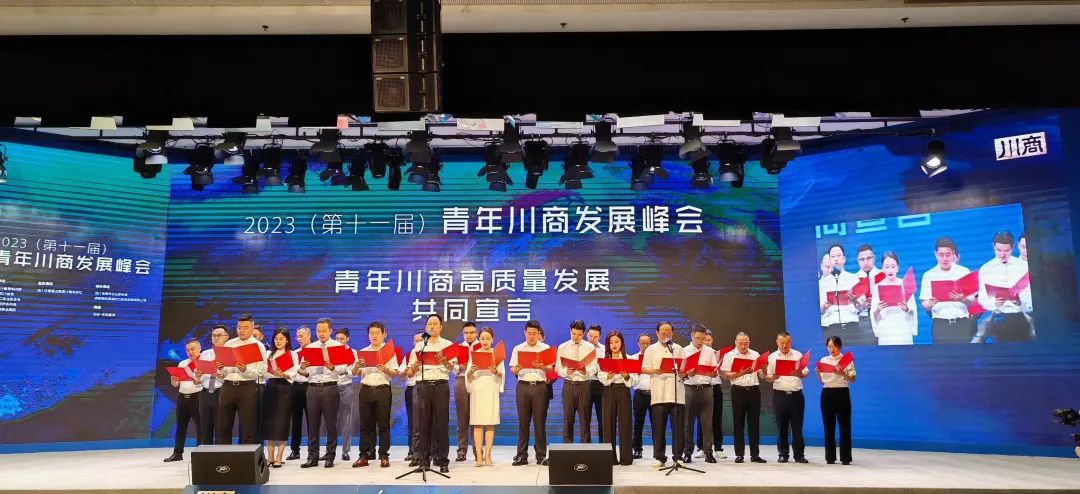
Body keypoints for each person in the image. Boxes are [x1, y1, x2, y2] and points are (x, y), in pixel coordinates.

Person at [407, 314, 457, 473]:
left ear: (441, 327)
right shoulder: (419, 346)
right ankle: (424, 460)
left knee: (441, 424)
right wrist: (414, 366)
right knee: (423, 425)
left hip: (441, 386)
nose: (432, 326)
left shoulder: (448, 345)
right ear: (426, 327)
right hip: (423, 386)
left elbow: (455, 369)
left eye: (435, 324)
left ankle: (442, 460)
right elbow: (409, 373)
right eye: (429, 324)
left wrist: (445, 362)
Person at [299, 317, 350, 468]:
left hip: (330, 387)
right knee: (312, 424)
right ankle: (312, 457)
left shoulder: (337, 346)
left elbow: (344, 368)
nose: (321, 333)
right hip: (312, 388)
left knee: (330, 424)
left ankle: (330, 456)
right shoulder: (310, 347)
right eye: (318, 331)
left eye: (324, 330)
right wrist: (303, 368)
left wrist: (333, 367)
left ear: (330, 331)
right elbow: (304, 372)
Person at [351, 321, 399, 468]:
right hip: (365, 390)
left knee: (383, 425)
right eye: (371, 333)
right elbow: (354, 373)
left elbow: (395, 373)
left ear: (384, 334)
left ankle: (384, 456)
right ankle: (364, 456)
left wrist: (385, 369)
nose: (374, 336)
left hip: (382, 390)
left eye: (377, 333)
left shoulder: (389, 352)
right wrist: (356, 366)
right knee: (366, 425)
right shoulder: (363, 352)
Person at [973, 231, 1035, 343]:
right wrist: (994, 303)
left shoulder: (1023, 267)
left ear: (1013, 247)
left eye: (1006, 251)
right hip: (998, 317)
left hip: (1020, 316)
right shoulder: (986, 269)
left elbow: (1031, 296)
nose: (1002, 254)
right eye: (999, 250)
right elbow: (982, 299)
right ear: (993, 246)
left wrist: (1020, 302)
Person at [216, 314, 268, 445]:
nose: (241, 330)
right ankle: (223, 455)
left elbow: (261, 372)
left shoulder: (258, 346)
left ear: (252, 328)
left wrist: (245, 369)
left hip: (247, 387)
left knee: (247, 425)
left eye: (245, 327)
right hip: (228, 386)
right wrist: (221, 368)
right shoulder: (229, 343)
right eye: (239, 327)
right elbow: (224, 370)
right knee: (223, 425)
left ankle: (246, 455)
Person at [640, 321, 686, 468]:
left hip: (676, 394)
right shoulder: (651, 349)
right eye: (663, 332)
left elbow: (684, 369)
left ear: (672, 333)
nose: (666, 334)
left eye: (669, 332)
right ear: (657, 333)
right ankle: (659, 457)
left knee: (678, 428)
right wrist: (656, 370)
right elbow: (644, 368)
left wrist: (684, 372)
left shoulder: (678, 348)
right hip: (659, 394)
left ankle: (678, 457)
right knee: (659, 428)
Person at [511, 320, 553, 466]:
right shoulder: (518, 348)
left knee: (539, 422)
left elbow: (550, 369)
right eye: (529, 333)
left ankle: (541, 456)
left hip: (540, 387)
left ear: (538, 333)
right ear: (525, 333)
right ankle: (521, 455)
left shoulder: (545, 348)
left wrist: (542, 367)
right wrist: (518, 368)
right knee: (523, 422)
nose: (531, 336)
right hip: (523, 386)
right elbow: (512, 370)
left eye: (534, 333)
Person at [919, 236, 975, 344]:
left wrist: (962, 299)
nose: (945, 259)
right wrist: (930, 303)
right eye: (941, 255)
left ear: (953, 253)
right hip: (940, 325)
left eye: (948, 255)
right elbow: (924, 304)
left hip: (961, 324)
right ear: (936, 254)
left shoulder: (963, 272)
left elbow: (972, 300)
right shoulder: (928, 275)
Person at [720, 332, 765, 463]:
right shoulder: (729, 355)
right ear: (735, 342)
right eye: (741, 343)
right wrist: (740, 373)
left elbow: (761, 375)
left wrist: (764, 369)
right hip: (738, 391)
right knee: (738, 424)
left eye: (746, 343)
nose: (743, 346)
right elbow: (725, 376)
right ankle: (739, 454)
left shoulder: (755, 354)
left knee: (754, 423)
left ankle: (755, 454)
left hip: (754, 391)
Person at [765, 331, 808, 463]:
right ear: (777, 342)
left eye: (787, 343)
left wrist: (798, 373)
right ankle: (783, 454)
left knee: (797, 426)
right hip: (780, 395)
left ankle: (799, 455)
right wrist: (773, 377)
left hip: (796, 396)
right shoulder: (772, 357)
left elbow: (805, 373)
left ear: (791, 342)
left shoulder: (797, 355)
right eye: (782, 343)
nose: (784, 345)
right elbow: (767, 377)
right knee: (781, 426)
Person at [466, 326, 505, 467]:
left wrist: (496, 372)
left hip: (491, 389)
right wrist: (471, 371)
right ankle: (478, 456)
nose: (485, 341)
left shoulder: (497, 354)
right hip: (478, 389)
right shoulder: (474, 354)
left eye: (488, 338)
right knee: (477, 423)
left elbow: (502, 374)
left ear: (492, 339)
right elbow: (468, 375)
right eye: (482, 338)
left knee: (489, 423)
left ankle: (488, 456)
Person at [556, 320, 598, 444]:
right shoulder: (563, 347)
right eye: (574, 334)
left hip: (584, 385)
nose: (576, 337)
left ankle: (585, 448)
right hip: (569, 385)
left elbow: (595, 367)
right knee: (568, 419)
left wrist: (586, 371)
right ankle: (567, 448)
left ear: (584, 333)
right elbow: (557, 368)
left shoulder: (590, 347)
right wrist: (566, 372)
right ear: (570, 331)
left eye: (579, 335)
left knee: (585, 419)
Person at [682, 324, 718, 464]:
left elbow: (715, 372)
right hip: (689, 389)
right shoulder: (684, 351)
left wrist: (713, 373)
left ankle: (708, 453)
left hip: (706, 389)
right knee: (688, 424)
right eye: (697, 338)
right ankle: (687, 453)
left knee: (707, 424)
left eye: (703, 338)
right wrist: (687, 373)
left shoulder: (709, 351)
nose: (700, 341)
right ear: (691, 336)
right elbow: (680, 373)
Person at [817, 335, 856, 465]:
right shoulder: (824, 360)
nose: (831, 349)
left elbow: (852, 379)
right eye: (829, 346)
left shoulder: (846, 359)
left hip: (842, 392)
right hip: (827, 393)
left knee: (845, 427)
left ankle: (846, 458)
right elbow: (821, 380)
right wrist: (817, 372)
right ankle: (830, 457)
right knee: (828, 427)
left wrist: (842, 373)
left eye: (834, 346)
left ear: (839, 346)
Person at [598, 330, 635, 466]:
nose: (614, 345)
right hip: (609, 391)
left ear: (622, 343)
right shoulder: (604, 360)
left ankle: (626, 458)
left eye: (616, 342)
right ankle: (610, 458)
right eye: (611, 342)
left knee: (625, 424)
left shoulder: (629, 358)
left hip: (623, 390)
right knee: (608, 424)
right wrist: (607, 376)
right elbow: (601, 377)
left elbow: (634, 379)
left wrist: (627, 376)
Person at [164, 338, 203, 462]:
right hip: (182, 397)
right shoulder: (182, 363)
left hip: (198, 397)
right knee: (180, 427)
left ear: (199, 348)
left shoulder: (204, 363)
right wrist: (173, 380)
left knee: (200, 427)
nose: (190, 352)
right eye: (187, 350)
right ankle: (177, 453)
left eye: (193, 349)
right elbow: (175, 384)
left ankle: (199, 454)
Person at [264, 327, 298, 467]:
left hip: (285, 387)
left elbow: (294, 372)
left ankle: (279, 456)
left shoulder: (292, 354)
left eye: (281, 339)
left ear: (287, 340)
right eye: (276, 339)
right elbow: (264, 371)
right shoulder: (269, 354)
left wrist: (283, 374)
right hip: (270, 387)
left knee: (283, 421)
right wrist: (272, 372)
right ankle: (270, 456)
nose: (278, 341)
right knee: (269, 422)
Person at [871, 252, 918, 345]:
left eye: (893, 266)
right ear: (882, 269)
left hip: (903, 332)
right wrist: (878, 309)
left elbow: (913, 311)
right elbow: (873, 314)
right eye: (887, 267)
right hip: (886, 333)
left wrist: (907, 309)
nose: (890, 270)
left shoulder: (905, 285)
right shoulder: (877, 287)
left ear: (897, 268)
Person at [819, 244, 861, 341]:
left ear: (844, 259)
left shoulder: (853, 278)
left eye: (838, 256)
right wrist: (824, 307)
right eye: (833, 257)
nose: (836, 259)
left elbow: (861, 308)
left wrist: (855, 301)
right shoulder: (822, 283)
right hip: (832, 327)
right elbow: (821, 311)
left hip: (852, 326)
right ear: (829, 260)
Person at [196, 325, 229, 445]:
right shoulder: (205, 354)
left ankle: (221, 454)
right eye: (213, 335)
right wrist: (197, 375)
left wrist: (222, 376)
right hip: (205, 392)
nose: (216, 338)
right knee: (205, 427)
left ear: (227, 337)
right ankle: (206, 453)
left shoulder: (230, 353)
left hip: (222, 392)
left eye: (219, 335)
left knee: (221, 428)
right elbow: (197, 375)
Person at [454, 322, 479, 462]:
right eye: (466, 333)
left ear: (476, 333)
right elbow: (451, 367)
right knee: (462, 419)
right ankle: (461, 451)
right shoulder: (457, 347)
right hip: (461, 380)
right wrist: (459, 367)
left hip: (477, 381)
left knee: (477, 418)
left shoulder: (482, 347)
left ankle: (477, 450)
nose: (469, 335)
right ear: (463, 334)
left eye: (472, 332)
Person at [287, 325, 312, 460]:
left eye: (301, 336)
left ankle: (312, 450)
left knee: (311, 420)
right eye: (297, 336)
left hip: (310, 386)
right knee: (296, 420)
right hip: (295, 387)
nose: (299, 339)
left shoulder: (315, 351)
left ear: (309, 335)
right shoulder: (294, 353)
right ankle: (295, 450)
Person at [334, 328, 357, 461]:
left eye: (341, 339)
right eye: (337, 339)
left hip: (346, 386)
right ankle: (330, 451)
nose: (339, 341)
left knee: (346, 420)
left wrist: (345, 372)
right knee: (330, 420)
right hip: (331, 387)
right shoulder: (330, 352)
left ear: (347, 339)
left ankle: (345, 451)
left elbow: (354, 372)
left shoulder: (353, 352)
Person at [851, 244, 881, 346]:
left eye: (869, 258)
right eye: (862, 259)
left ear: (874, 258)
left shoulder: (883, 275)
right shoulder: (853, 279)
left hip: (882, 319)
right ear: (858, 261)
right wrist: (860, 306)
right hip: (862, 322)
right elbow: (848, 307)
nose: (866, 262)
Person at [402, 331, 424, 464]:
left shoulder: (428, 352)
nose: (418, 342)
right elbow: (402, 372)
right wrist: (410, 369)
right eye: (416, 340)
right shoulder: (410, 354)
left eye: (420, 340)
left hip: (425, 387)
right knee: (413, 421)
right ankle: (412, 450)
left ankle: (428, 452)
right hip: (411, 388)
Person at [630, 333, 652, 460]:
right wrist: (636, 373)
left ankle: (658, 450)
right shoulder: (633, 358)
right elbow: (630, 381)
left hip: (655, 394)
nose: (645, 345)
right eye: (643, 343)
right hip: (640, 394)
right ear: (638, 344)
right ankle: (637, 449)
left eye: (647, 343)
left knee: (657, 424)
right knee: (638, 423)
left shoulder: (655, 358)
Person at [587, 324, 606, 442]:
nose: (592, 339)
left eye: (595, 337)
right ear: (587, 335)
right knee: (585, 417)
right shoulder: (581, 348)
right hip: (585, 384)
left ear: (600, 336)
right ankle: (586, 445)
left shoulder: (605, 349)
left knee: (602, 417)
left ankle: (603, 445)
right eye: (590, 336)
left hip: (600, 384)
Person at [253, 324, 267, 444]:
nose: (252, 339)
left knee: (260, 419)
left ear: (262, 337)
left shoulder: (266, 352)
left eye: (255, 336)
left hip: (260, 386)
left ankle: (259, 447)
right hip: (245, 386)